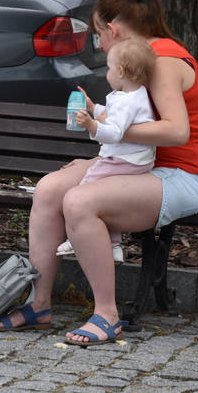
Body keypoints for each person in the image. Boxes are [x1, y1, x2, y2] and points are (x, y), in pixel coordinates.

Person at [0, 0, 198, 346]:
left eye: (98, 34)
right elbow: (130, 131)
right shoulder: (144, 56)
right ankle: (39, 304)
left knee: (80, 202)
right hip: (140, 166)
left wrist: (106, 132)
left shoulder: (163, 60)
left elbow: (176, 131)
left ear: (112, 29)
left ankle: (107, 315)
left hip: (182, 176)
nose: (98, 43)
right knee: (51, 189)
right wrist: (102, 155)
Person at [55, 38, 156, 263]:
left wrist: (92, 125)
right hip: (138, 158)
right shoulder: (137, 94)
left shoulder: (124, 102)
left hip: (122, 159)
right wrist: (94, 108)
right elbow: (115, 116)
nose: (107, 73)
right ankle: (114, 245)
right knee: (106, 201)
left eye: (109, 68)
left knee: (82, 191)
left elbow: (115, 132)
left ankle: (76, 238)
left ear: (120, 71)